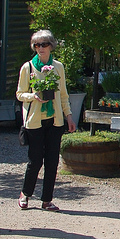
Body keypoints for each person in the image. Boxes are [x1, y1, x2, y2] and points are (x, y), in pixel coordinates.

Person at [16, 30, 76, 212]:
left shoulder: (58, 67)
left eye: (44, 44)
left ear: (51, 46)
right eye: (37, 45)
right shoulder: (28, 68)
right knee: (35, 161)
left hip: (55, 120)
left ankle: (47, 200)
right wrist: (33, 96)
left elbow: (63, 95)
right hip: (35, 121)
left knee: (52, 161)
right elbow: (19, 94)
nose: (40, 48)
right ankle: (25, 194)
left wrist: (69, 116)